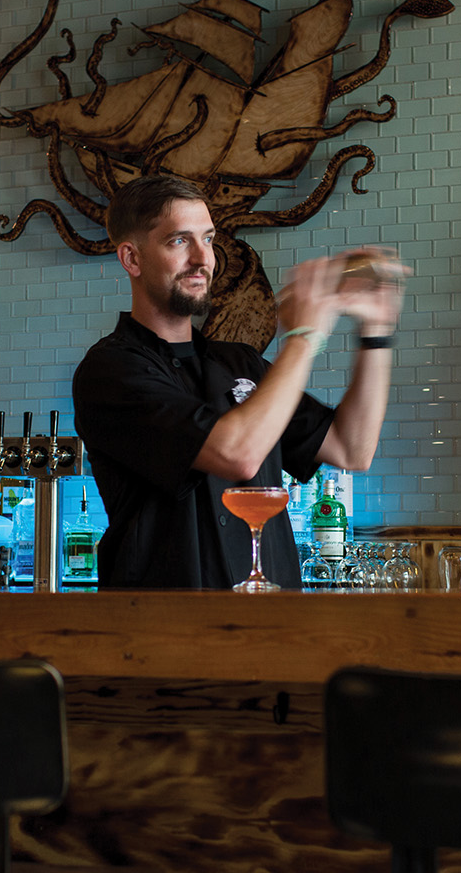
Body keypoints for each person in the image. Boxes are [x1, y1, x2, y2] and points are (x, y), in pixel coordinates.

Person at [72, 175, 404, 589]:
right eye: (179, 241)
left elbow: (352, 448)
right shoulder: (112, 370)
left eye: (208, 239)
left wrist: (376, 332)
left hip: (270, 625)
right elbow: (237, 454)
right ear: (132, 259)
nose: (202, 259)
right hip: (164, 630)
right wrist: (304, 338)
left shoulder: (240, 362)